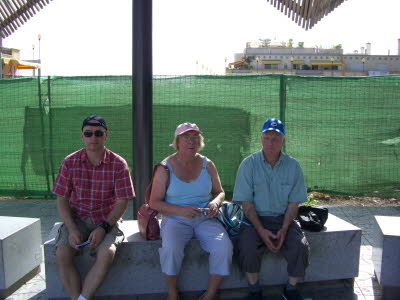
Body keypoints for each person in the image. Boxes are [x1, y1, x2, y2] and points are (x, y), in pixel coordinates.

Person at [52, 115, 135, 300]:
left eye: (98, 133)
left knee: (107, 254)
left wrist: (104, 227)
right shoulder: (69, 162)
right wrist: (72, 229)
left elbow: (122, 201)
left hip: (106, 218)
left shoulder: (118, 164)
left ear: (106, 136)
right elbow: (62, 199)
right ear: (82, 136)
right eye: (88, 134)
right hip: (77, 217)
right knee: (62, 253)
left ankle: (83, 298)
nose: (93, 138)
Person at [149, 122, 233, 300]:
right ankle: (172, 293)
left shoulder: (207, 164)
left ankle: (210, 293)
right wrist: (180, 210)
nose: (191, 141)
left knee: (224, 247)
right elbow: (154, 202)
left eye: (195, 137)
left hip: (205, 218)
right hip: (175, 219)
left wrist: (215, 204)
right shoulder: (165, 167)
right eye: (186, 137)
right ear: (177, 142)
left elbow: (220, 192)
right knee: (171, 248)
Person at [233, 118, 309, 300]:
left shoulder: (293, 166)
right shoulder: (248, 164)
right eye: (267, 137)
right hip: (254, 219)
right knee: (247, 246)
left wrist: (284, 228)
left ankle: (290, 289)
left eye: (275, 138)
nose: (270, 142)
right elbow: (246, 204)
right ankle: (254, 290)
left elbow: (293, 204)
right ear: (261, 138)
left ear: (283, 140)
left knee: (300, 246)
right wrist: (261, 230)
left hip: (284, 219)